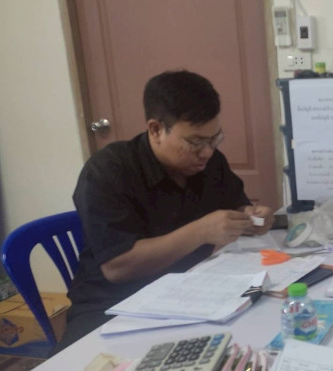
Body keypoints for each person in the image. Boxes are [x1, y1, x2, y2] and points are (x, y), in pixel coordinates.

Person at [56, 70, 274, 353]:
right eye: (195, 142)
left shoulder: (209, 163)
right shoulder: (108, 171)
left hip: (190, 289)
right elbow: (117, 267)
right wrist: (201, 232)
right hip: (113, 304)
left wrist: (252, 215)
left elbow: (236, 204)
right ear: (156, 129)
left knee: (259, 329)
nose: (207, 152)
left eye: (214, 139)